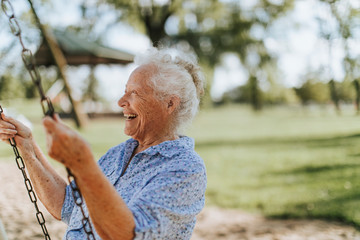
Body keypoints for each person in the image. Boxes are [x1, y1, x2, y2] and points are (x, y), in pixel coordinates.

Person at [0, 47, 207, 239]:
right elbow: (68, 205)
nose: (120, 101)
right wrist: (27, 145)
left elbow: (128, 234)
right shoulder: (119, 154)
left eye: (134, 93)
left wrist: (83, 165)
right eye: (125, 90)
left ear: (169, 103)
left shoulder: (185, 169)